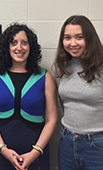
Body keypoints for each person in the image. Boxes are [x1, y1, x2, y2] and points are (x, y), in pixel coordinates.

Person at [0, 23, 57, 170]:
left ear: (31, 47)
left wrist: (35, 153)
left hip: (35, 154)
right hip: (0, 152)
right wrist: (3, 149)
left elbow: (51, 119)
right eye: (14, 43)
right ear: (7, 47)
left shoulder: (45, 77)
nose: (19, 48)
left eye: (24, 43)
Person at [53, 15, 103, 170]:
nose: (72, 43)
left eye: (79, 37)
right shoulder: (61, 67)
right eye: (67, 38)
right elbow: (64, 103)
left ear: (89, 38)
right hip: (66, 140)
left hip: (97, 144)